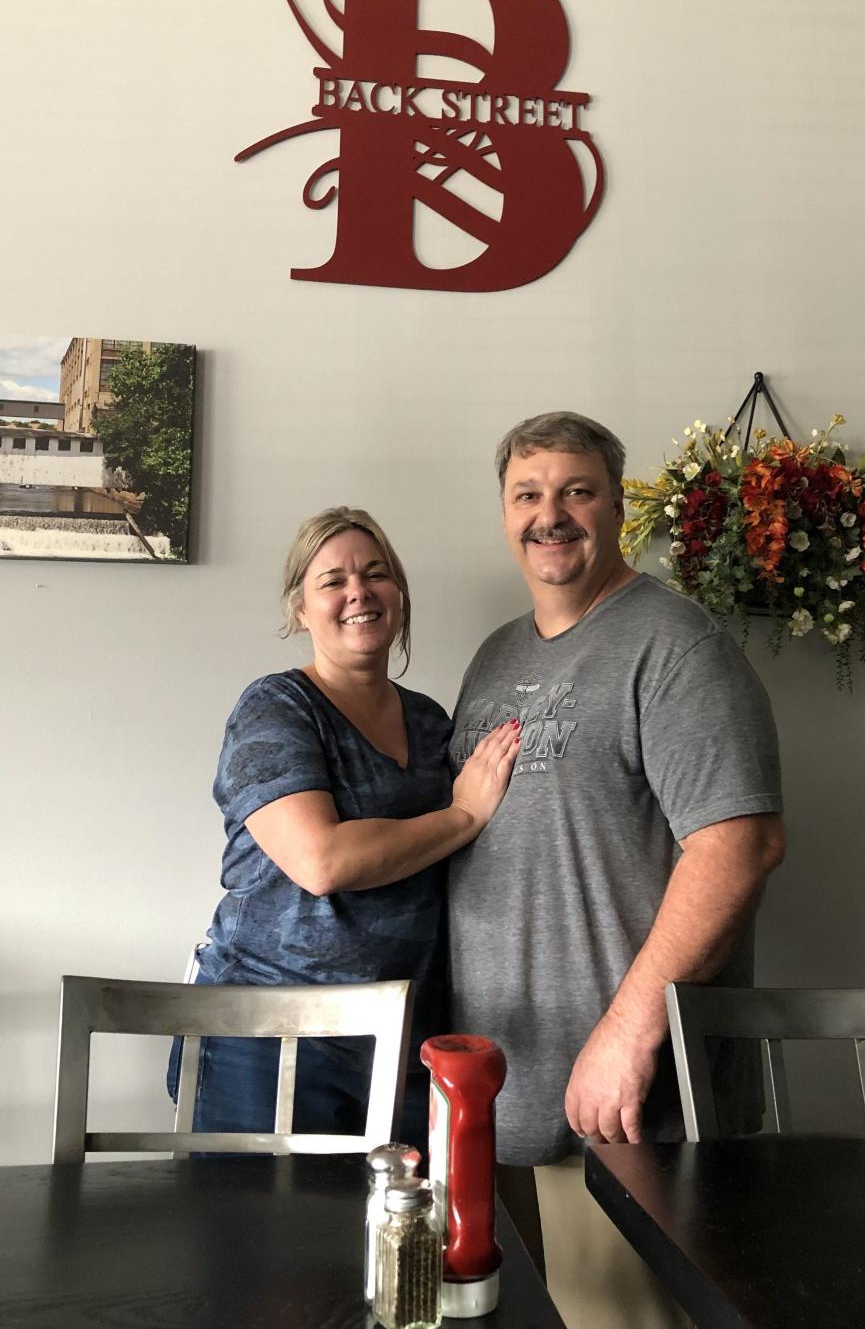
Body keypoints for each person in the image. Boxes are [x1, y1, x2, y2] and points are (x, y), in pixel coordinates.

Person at [447, 412, 785, 1329]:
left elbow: (738, 842)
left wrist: (628, 1037)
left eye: (577, 490)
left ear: (616, 506)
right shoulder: (495, 655)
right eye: (528, 493)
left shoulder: (674, 644)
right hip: (498, 1094)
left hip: (624, 1108)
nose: (549, 514)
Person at [168, 506, 519, 1151]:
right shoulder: (275, 706)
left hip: (404, 1038)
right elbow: (320, 861)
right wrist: (462, 815)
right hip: (268, 1036)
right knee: (255, 1243)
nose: (359, 591)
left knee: (403, 1240)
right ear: (301, 608)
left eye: (376, 573)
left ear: (400, 598)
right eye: (332, 580)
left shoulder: (431, 722)